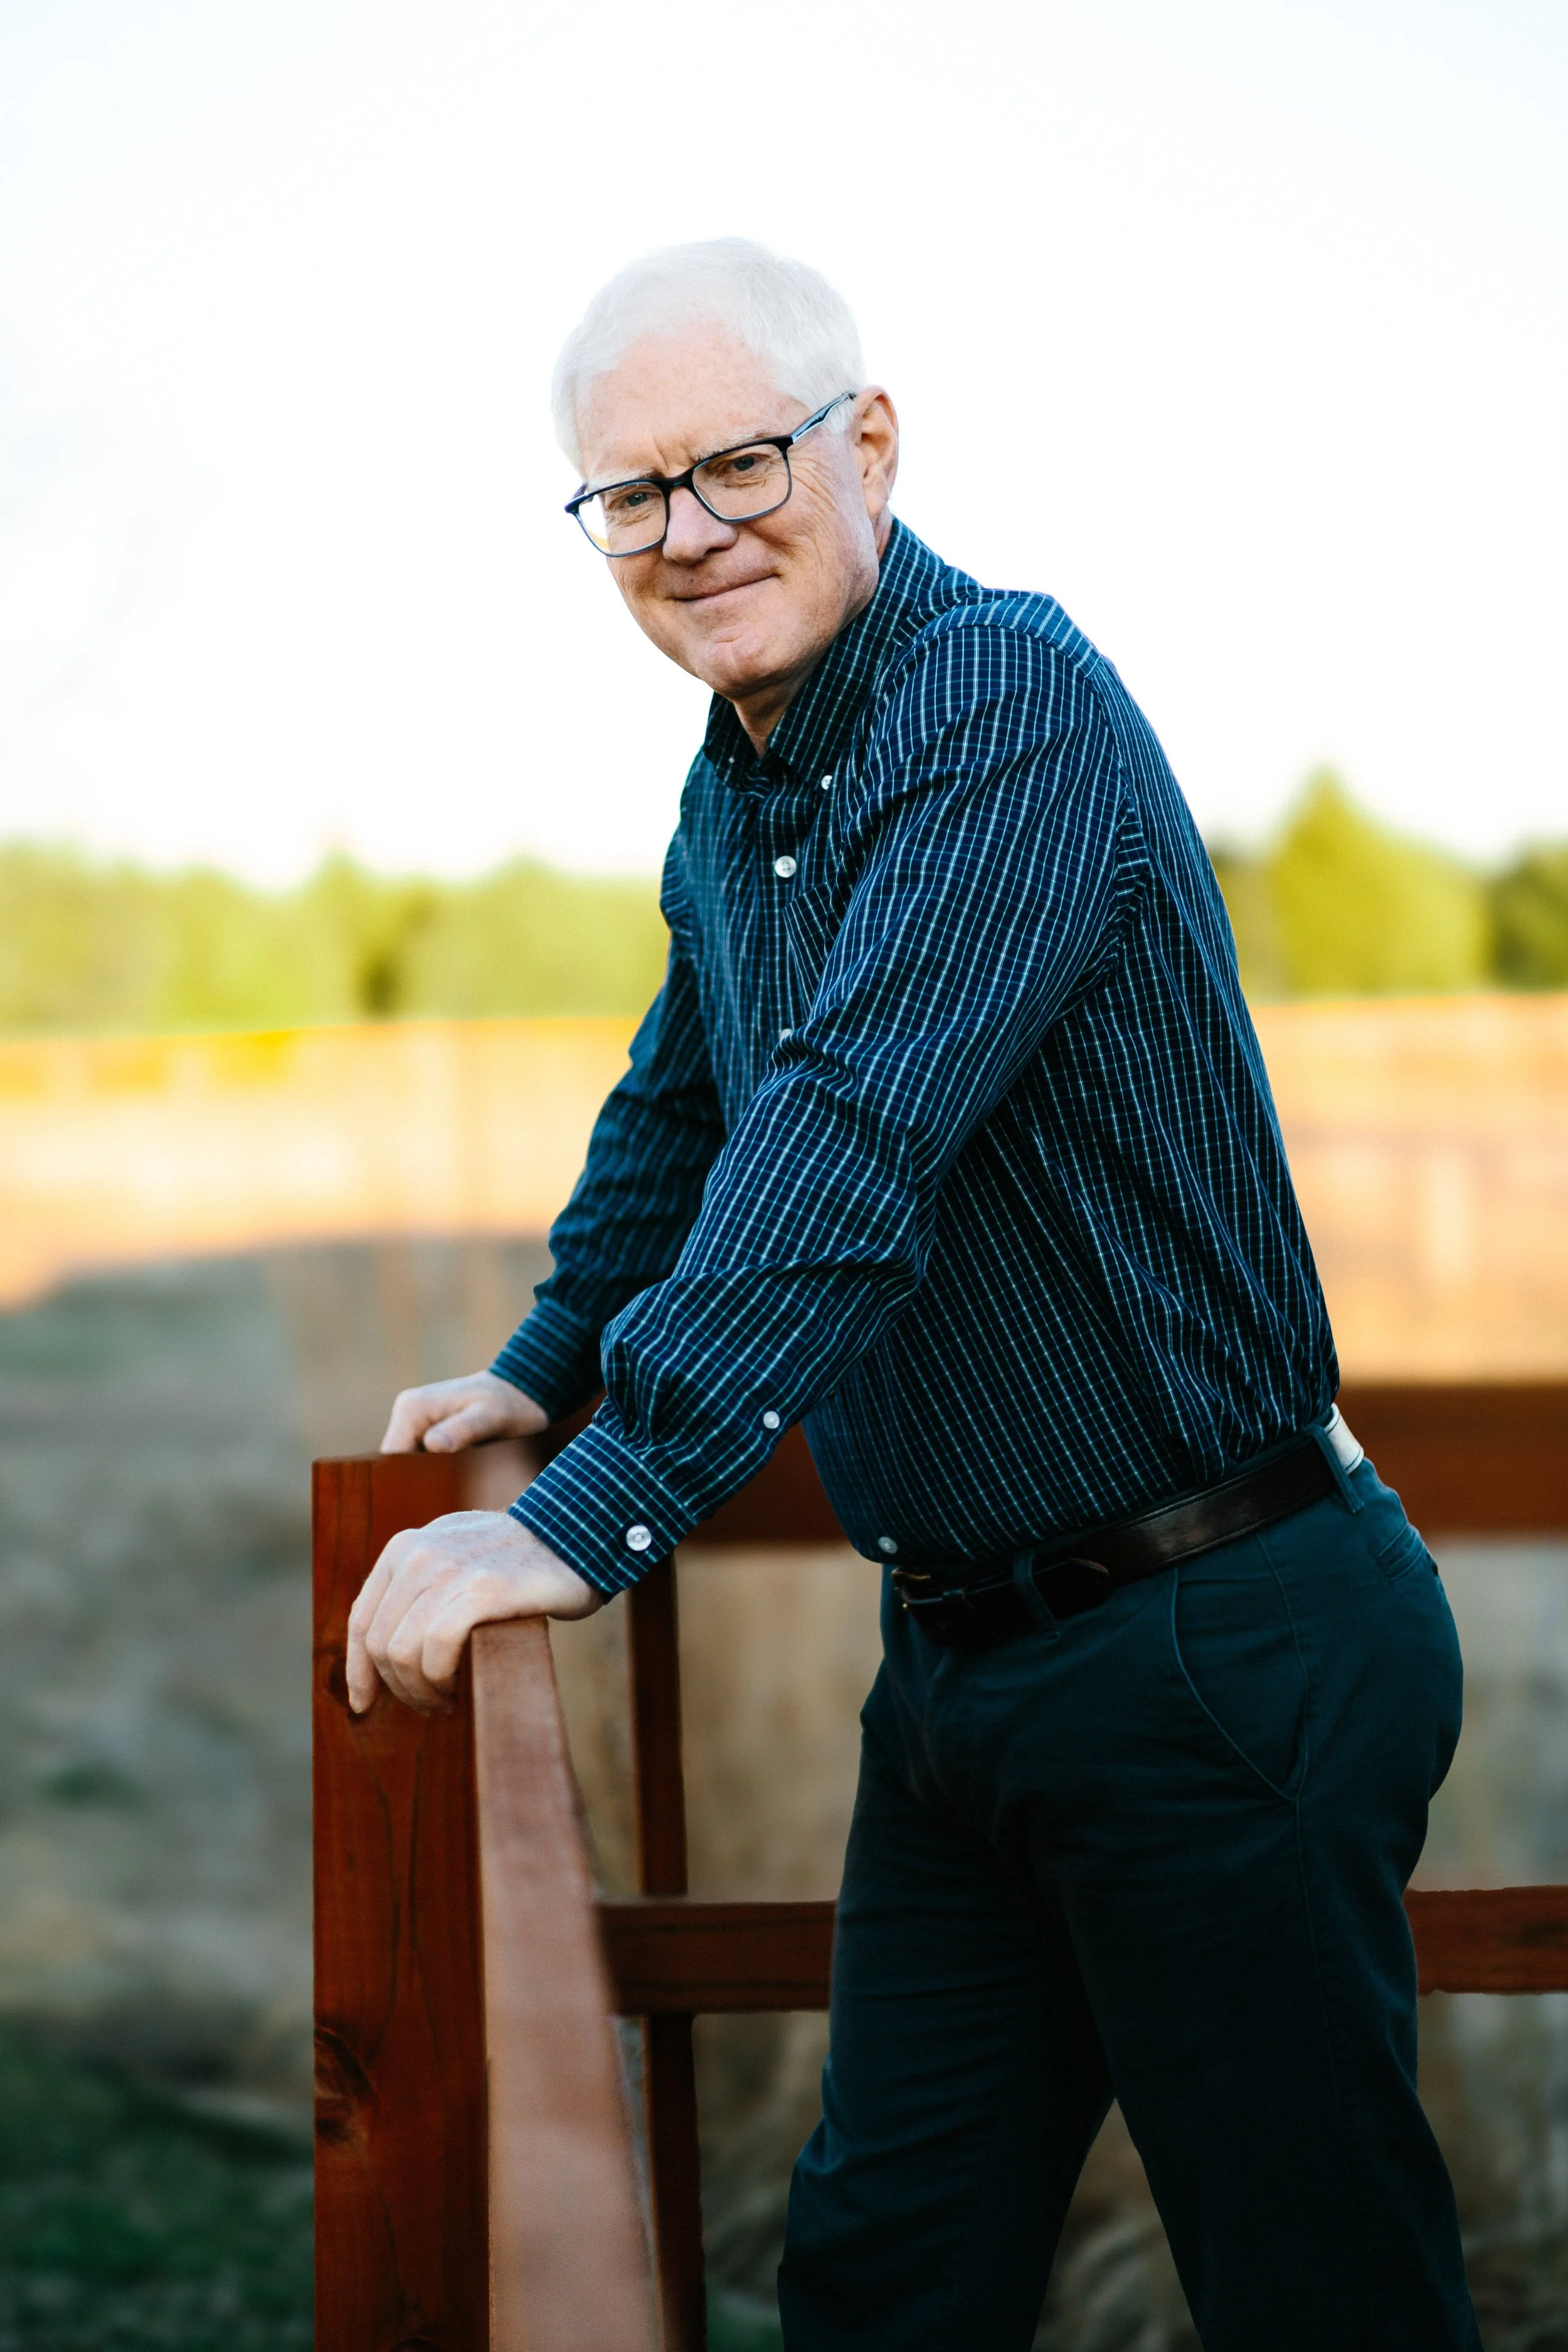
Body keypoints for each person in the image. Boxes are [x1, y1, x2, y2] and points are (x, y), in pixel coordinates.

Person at [346, 240, 1477, 2351]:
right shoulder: (747, 768)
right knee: (885, 2278)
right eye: (629, 494)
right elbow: (686, 1109)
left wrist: (582, 1513)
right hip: (963, 1664)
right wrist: (531, 1376)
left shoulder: (994, 708)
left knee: (1311, 2284)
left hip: (1212, 1636)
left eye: (738, 464)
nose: (687, 535)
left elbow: (849, 1141)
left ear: (868, 444)